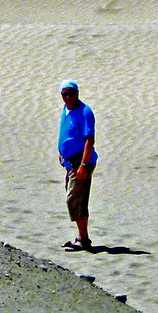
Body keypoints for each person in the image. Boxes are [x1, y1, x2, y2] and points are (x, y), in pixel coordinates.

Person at [57, 80, 97, 251]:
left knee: (75, 200)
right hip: (69, 162)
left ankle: (83, 239)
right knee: (74, 199)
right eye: (64, 94)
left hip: (80, 163)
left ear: (77, 93)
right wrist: (62, 152)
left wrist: (83, 165)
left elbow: (89, 140)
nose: (67, 97)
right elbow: (66, 132)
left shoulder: (85, 112)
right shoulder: (66, 110)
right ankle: (82, 237)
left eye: (70, 93)